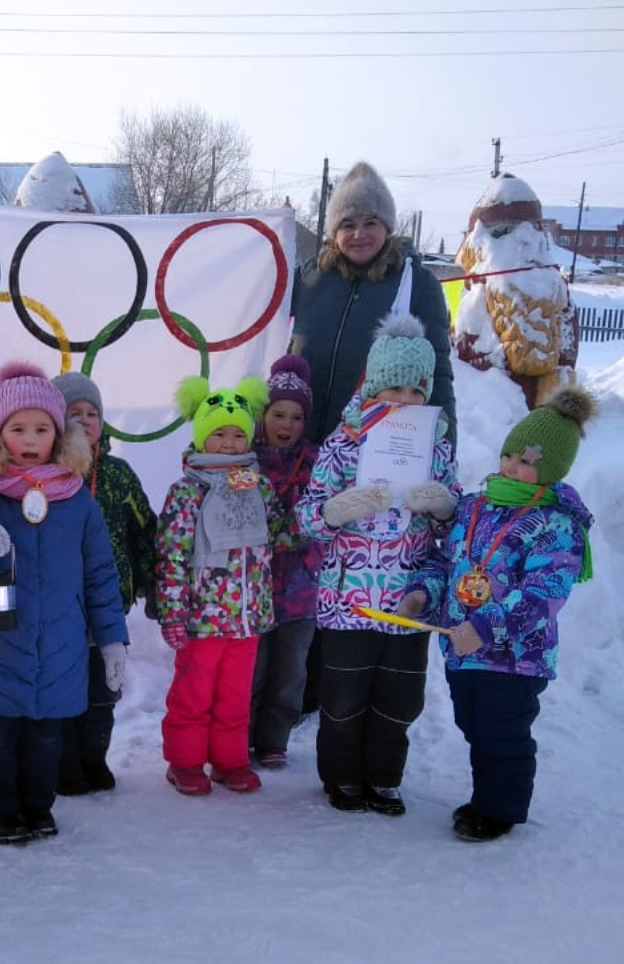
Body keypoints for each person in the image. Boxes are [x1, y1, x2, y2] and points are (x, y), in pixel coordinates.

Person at [290, 162, 457, 715]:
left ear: (388, 226)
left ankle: (332, 683)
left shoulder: (415, 282)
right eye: (348, 222)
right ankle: (305, 684)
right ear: (333, 228)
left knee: (352, 560)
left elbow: (439, 368)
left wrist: (441, 438)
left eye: (371, 222)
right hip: (311, 443)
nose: (359, 233)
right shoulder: (310, 278)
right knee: (307, 564)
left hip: (383, 448)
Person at [0, 363, 127, 845]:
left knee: (46, 735)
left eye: (41, 429)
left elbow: (100, 573)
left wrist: (111, 640)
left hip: (59, 642)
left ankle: (36, 805)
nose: (29, 438)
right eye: (18, 428)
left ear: (58, 434)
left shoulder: (77, 499)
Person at [400, 388, 596, 841]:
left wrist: (486, 628)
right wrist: (420, 594)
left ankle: (500, 809)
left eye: (525, 461)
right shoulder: (475, 506)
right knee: (474, 725)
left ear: (549, 470)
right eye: (509, 454)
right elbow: (446, 563)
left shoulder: (557, 525)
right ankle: (485, 797)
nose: (510, 466)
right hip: (463, 648)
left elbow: (543, 592)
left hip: (513, 657)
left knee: (502, 731)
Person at [296, 313, 461, 816]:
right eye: (393, 389)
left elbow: (453, 525)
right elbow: (306, 518)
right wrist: (337, 510)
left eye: (416, 391)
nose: (404, 401)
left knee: (399, 697)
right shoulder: (342, 445)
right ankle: (342, 776)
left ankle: (384, 777)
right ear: (371, 387)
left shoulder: (436, 445)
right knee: (344, 696)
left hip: (410, 599)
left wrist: (441, 507)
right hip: (350, 602)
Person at [155, 375, 279, 797]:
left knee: (234, 695)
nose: (228, 443)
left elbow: (279, 534)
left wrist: (327, 516)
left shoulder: (258, 486)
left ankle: (229, 760)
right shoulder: (187, 492)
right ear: (202, 438)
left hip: (246, 618)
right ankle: (185, 761)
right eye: (219, 434)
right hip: (202, 620)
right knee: (194, 693)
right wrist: (172, 612)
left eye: (237, 434)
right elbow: (172, 555)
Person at [52, 371, 157, 795]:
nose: (84, 420)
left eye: (91, 412)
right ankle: (66, 765)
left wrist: (151, 582)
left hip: (109, 604)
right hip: (59, 608)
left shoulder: (117, 474)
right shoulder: (48, 473)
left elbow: (145, 530)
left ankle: (94, 758)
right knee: (64, 689)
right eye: (72, 413)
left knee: (103, 689)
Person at [249, 355, 322, 768]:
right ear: (264, 416)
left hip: (300, 587)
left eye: (297, 417)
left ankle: (274, 739)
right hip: (254, 588)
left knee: (291, 670)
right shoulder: (247, 461)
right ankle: (241, 736)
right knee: (253, 670)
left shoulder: (316, 462)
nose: (288, 425)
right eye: (279, 414)